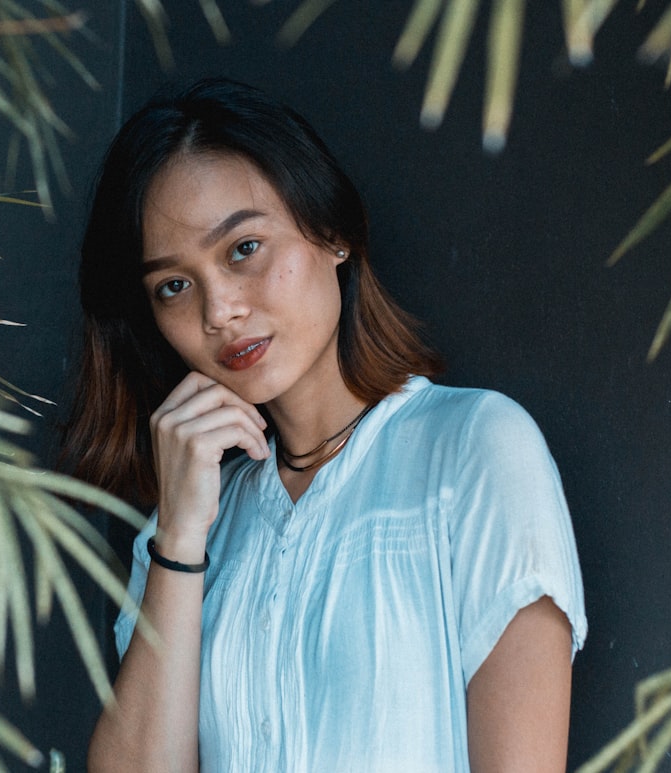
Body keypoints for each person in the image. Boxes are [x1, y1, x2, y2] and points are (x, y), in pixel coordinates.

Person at [65, 77, 587, 772]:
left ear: (332, 232)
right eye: (174, 285)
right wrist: (181, 538)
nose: (218, 310)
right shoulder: (184, 530)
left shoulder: (477, 450)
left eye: (243, 248)